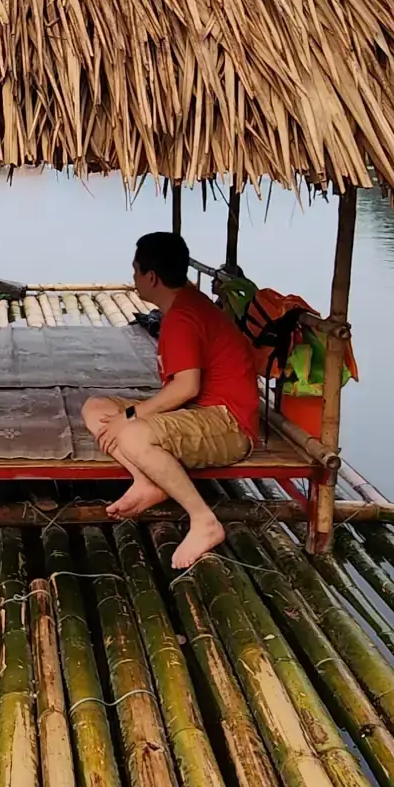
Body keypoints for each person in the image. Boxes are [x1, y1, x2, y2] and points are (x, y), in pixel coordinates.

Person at [79, 231, 262, 570]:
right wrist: (126, 416)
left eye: (136, 272)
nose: (133, 279)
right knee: (96, 408)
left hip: (227, 423)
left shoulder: (182, 318)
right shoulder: (183, 304)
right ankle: (147, 480)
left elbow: (186, 387)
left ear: (151, 277)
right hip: (197, 414)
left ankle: (204, 520)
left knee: (131, 431)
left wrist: (131, 415)